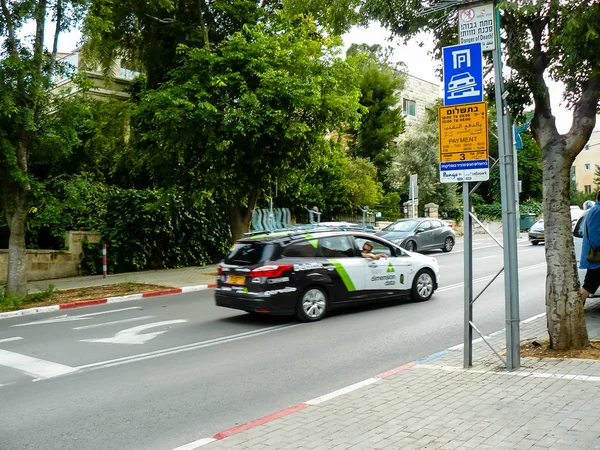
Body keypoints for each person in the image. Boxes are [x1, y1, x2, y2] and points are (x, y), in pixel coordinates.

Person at [580, 189, 600, 303]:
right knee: (587, 287)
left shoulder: (595, 210)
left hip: (596, 259)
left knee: (587, 287)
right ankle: (573, 313)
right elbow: (595, 235)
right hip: (597, 261)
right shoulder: (598, 211)